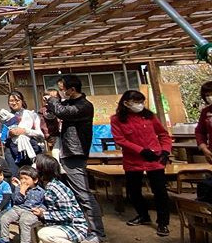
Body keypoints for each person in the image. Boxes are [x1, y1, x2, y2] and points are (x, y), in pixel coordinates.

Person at [44, 75, 105, 242]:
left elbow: (62, 112)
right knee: (74, 194)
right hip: (66, 152)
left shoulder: (84, 106)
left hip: (75, 153)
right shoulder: (69, 104)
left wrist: (53, 100)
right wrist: (49, 107)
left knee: (84, 194)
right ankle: (82, 227)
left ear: (72, 89)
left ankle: (97, 233)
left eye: (63, 89)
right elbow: (54, 115)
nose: (61, 92)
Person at [110, 90, 172, 236]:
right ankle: (143, 215)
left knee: (160, 191)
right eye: (136, 102)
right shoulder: (117, 119)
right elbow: (120, 140)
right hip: (133, 160)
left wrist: (165, 151)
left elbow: (163, 134)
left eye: (141, 102)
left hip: (154, 159)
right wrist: (140, 150)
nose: (140, 105)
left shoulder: (149, 116)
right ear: (126, 103)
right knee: (133, 191)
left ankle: (163, 223)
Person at [33, 154, 88, 243]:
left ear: (43, 169)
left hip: (74, 227)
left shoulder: (56, 188)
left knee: (44, 234)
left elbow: (69, 214)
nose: (33, 167)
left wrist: (44, 214)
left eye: (36, 165)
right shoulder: (44, 185)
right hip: (58, 226)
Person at [0, 91, 44, 177]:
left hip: (30, 148)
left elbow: (40, 134)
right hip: (11, 150)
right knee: (15, 176)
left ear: (22, 101)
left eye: (17, 100)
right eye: (11, 101)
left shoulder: (31, 114)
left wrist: (25, 131)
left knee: (33, 174)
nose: (14, 103)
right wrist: (9, 134)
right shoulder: (5, 116)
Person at [0, 166, 45, 243]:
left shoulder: (40, 191)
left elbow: (44, 203)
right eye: (21, 178)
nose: (23, 181)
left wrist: (41, 211)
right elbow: (16, 201)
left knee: (24, 221)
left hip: (31, 211)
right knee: (4, 218)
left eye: (26, 178)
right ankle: (4, 240)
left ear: (35, 180)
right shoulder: (19, 188)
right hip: (18, 208)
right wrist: (22, 191)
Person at [195, 81, 212, 164]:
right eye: (207, 95)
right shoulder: (206, 112)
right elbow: (200, 132)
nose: (210, 97)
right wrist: (204, 148)